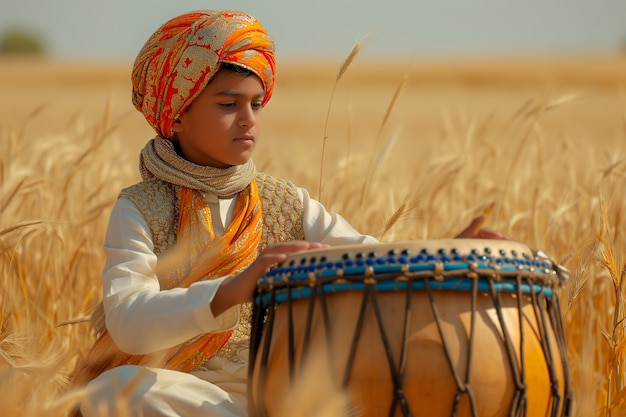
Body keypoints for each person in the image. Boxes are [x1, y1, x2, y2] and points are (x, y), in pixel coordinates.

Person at [70, 9, 502, 417]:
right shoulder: (140, 207)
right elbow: (127, 323)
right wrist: (235, 288)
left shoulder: (282, 201)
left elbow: (373, 259)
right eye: (228, 104)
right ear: (177, 115)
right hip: (186, 393)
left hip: (284, 396)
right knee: (115, 390)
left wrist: (446, 252)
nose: (248, 120)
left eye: (256, 104)